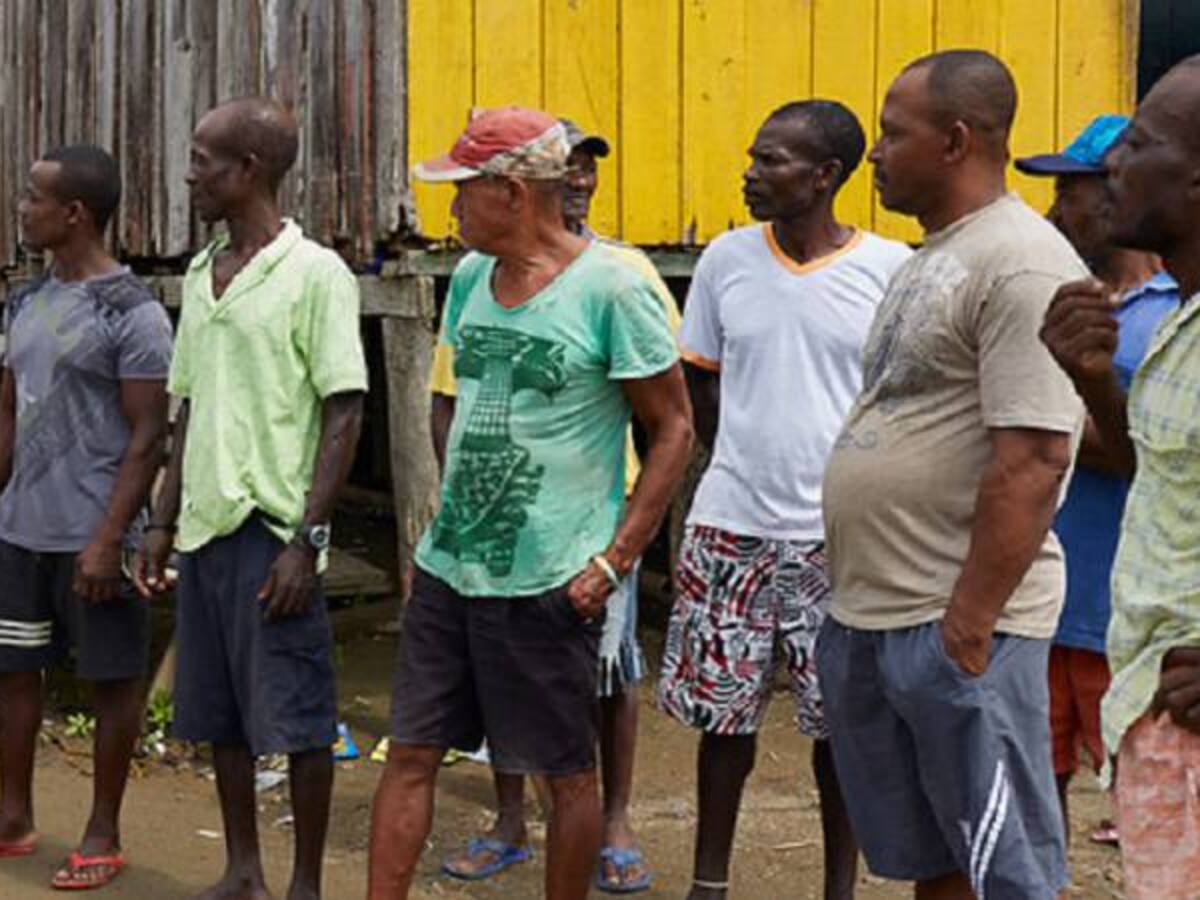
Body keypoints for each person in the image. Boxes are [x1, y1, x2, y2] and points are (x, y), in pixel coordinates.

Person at [367, 106, 693, 900]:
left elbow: (674, 429)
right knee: (412, 752)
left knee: (565, 774)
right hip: (454, 568)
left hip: (552, 576)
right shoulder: (473, 278)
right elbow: (452, 406)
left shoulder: (614, 288)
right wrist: (438, 535)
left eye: (463, 190)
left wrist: (614, 563)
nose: (448, 209)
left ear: (511, 193)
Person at [817, 50, 1088, 899]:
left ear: (956, 140)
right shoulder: (929, 257)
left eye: (894, 134)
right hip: (876, 612)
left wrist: (968, 626)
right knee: (933, 860)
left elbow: (1037, 456)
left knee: (1006, 871)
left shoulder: (1023, 262)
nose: (875, 152)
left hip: (956, 623)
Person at [656, 100, 912, 900]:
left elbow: (902, 400)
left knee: (840, 726)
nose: (751, 174)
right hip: (731, 527)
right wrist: (742, 456)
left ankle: (839, 885)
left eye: (772, 161)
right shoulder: (728, 261)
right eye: (754, 157)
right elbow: (701, 383)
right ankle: (709, 882)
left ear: (825, 175)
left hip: (840, 538)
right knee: (722, 723)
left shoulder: (890, 269)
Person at [133, 98, 368, 900]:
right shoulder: (204, 275)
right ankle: (243, 870)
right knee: (219, 711)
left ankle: (304, 883)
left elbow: (344, 410)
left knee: (298, 716)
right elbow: (188, 406)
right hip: (205, 527)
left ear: (249, 171)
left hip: (275, 529)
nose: (191, 173)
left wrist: (309, 539)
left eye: (203, 159)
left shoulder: (315, 275)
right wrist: (162, 521)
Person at [1040, 55, 1200, 899]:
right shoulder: (1180, 324)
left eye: (1136, 146)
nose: (1113, 175)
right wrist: (1093, 377)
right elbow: (1156, 473)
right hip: (1156, 702)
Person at [0, 146, 172, 890]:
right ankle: (12, 813)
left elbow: (148, 433)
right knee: (13, 672)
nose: (22, 208)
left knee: (111, 681)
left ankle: (103, 829)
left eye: (34, 198)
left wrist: (109, 539)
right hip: (20, 529)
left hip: (93, 535)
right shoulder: (23, 300)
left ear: (74, 213)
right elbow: (9, 410)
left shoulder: (132, 311)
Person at [1015, 116, 1177, 841]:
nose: (1056, 212)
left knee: (1152, 806)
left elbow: (1144, 451)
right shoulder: (1069, 299)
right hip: (1046, 599)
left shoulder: (1173, 316)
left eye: (1070, 193)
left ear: (1115, 194)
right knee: (1030, 788)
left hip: (1132, 618)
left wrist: (1052, 409)